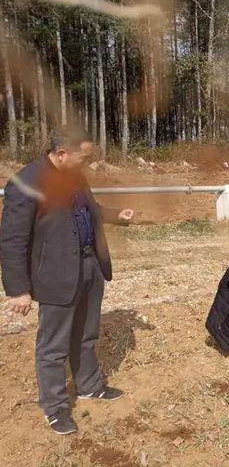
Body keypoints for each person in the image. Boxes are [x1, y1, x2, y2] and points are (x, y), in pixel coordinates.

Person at [0, 130, 134, 435]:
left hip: (89, 265)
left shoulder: (75, 176)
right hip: (56, 274)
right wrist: (18, 289)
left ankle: (88, 385)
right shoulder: (26, 183)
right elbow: (11, 240)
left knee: (87, 334)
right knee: (53, 347)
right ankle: (55, 407)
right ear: (61, 153)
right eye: (84, 156)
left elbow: (90, 210)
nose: (88, 162)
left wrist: (117, 215)